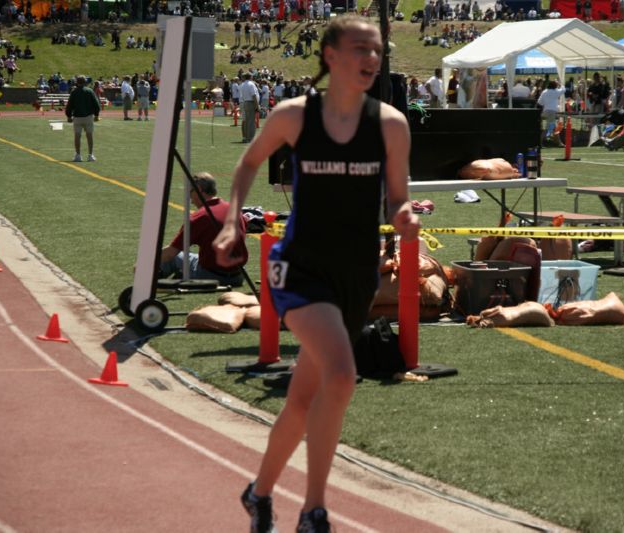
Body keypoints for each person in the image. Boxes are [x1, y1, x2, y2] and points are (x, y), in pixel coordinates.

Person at [212, 15, 420, 533]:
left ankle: (258, 493)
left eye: (377, 50)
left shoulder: (391, 124)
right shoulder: (294, 116)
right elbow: (248, 162)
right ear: (330, 55)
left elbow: (396, 199)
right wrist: (231, 220)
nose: (371, 58)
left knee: (304, 399)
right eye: (359, 49)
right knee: (344, 375)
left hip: (356, 273)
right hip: (301, 268)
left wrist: (406, 217)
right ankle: (315, 510)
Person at [160, 172, 248, 286]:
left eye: (190, 193)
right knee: (189, 255)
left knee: (174, 257)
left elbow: (170, 253)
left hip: (211, 276)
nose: (191, 200)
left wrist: (146, 264)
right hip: (238, 276)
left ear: (199, 189)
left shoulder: (199, 217)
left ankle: (150, 284)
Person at [65, 75, 100, 162]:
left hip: (77, 117)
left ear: (77, 82)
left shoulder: (74, 92)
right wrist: (96, 115)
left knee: (77, 136)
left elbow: (69, 105)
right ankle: (90, 155)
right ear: (85, 82)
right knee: (89, 136)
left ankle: (78, 155)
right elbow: (96, 104)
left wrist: (69, 116)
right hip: (88, 116)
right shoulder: (89, 91)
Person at [239, 72, 259, 143]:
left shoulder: (243, 84)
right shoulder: (251, 84)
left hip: (245, 102)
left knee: (247, 121)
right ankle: (250, 138)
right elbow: (254, 95)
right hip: (251, 102)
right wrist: (256, 106)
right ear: (250, 77)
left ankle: (246, 136)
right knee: (251, 121)